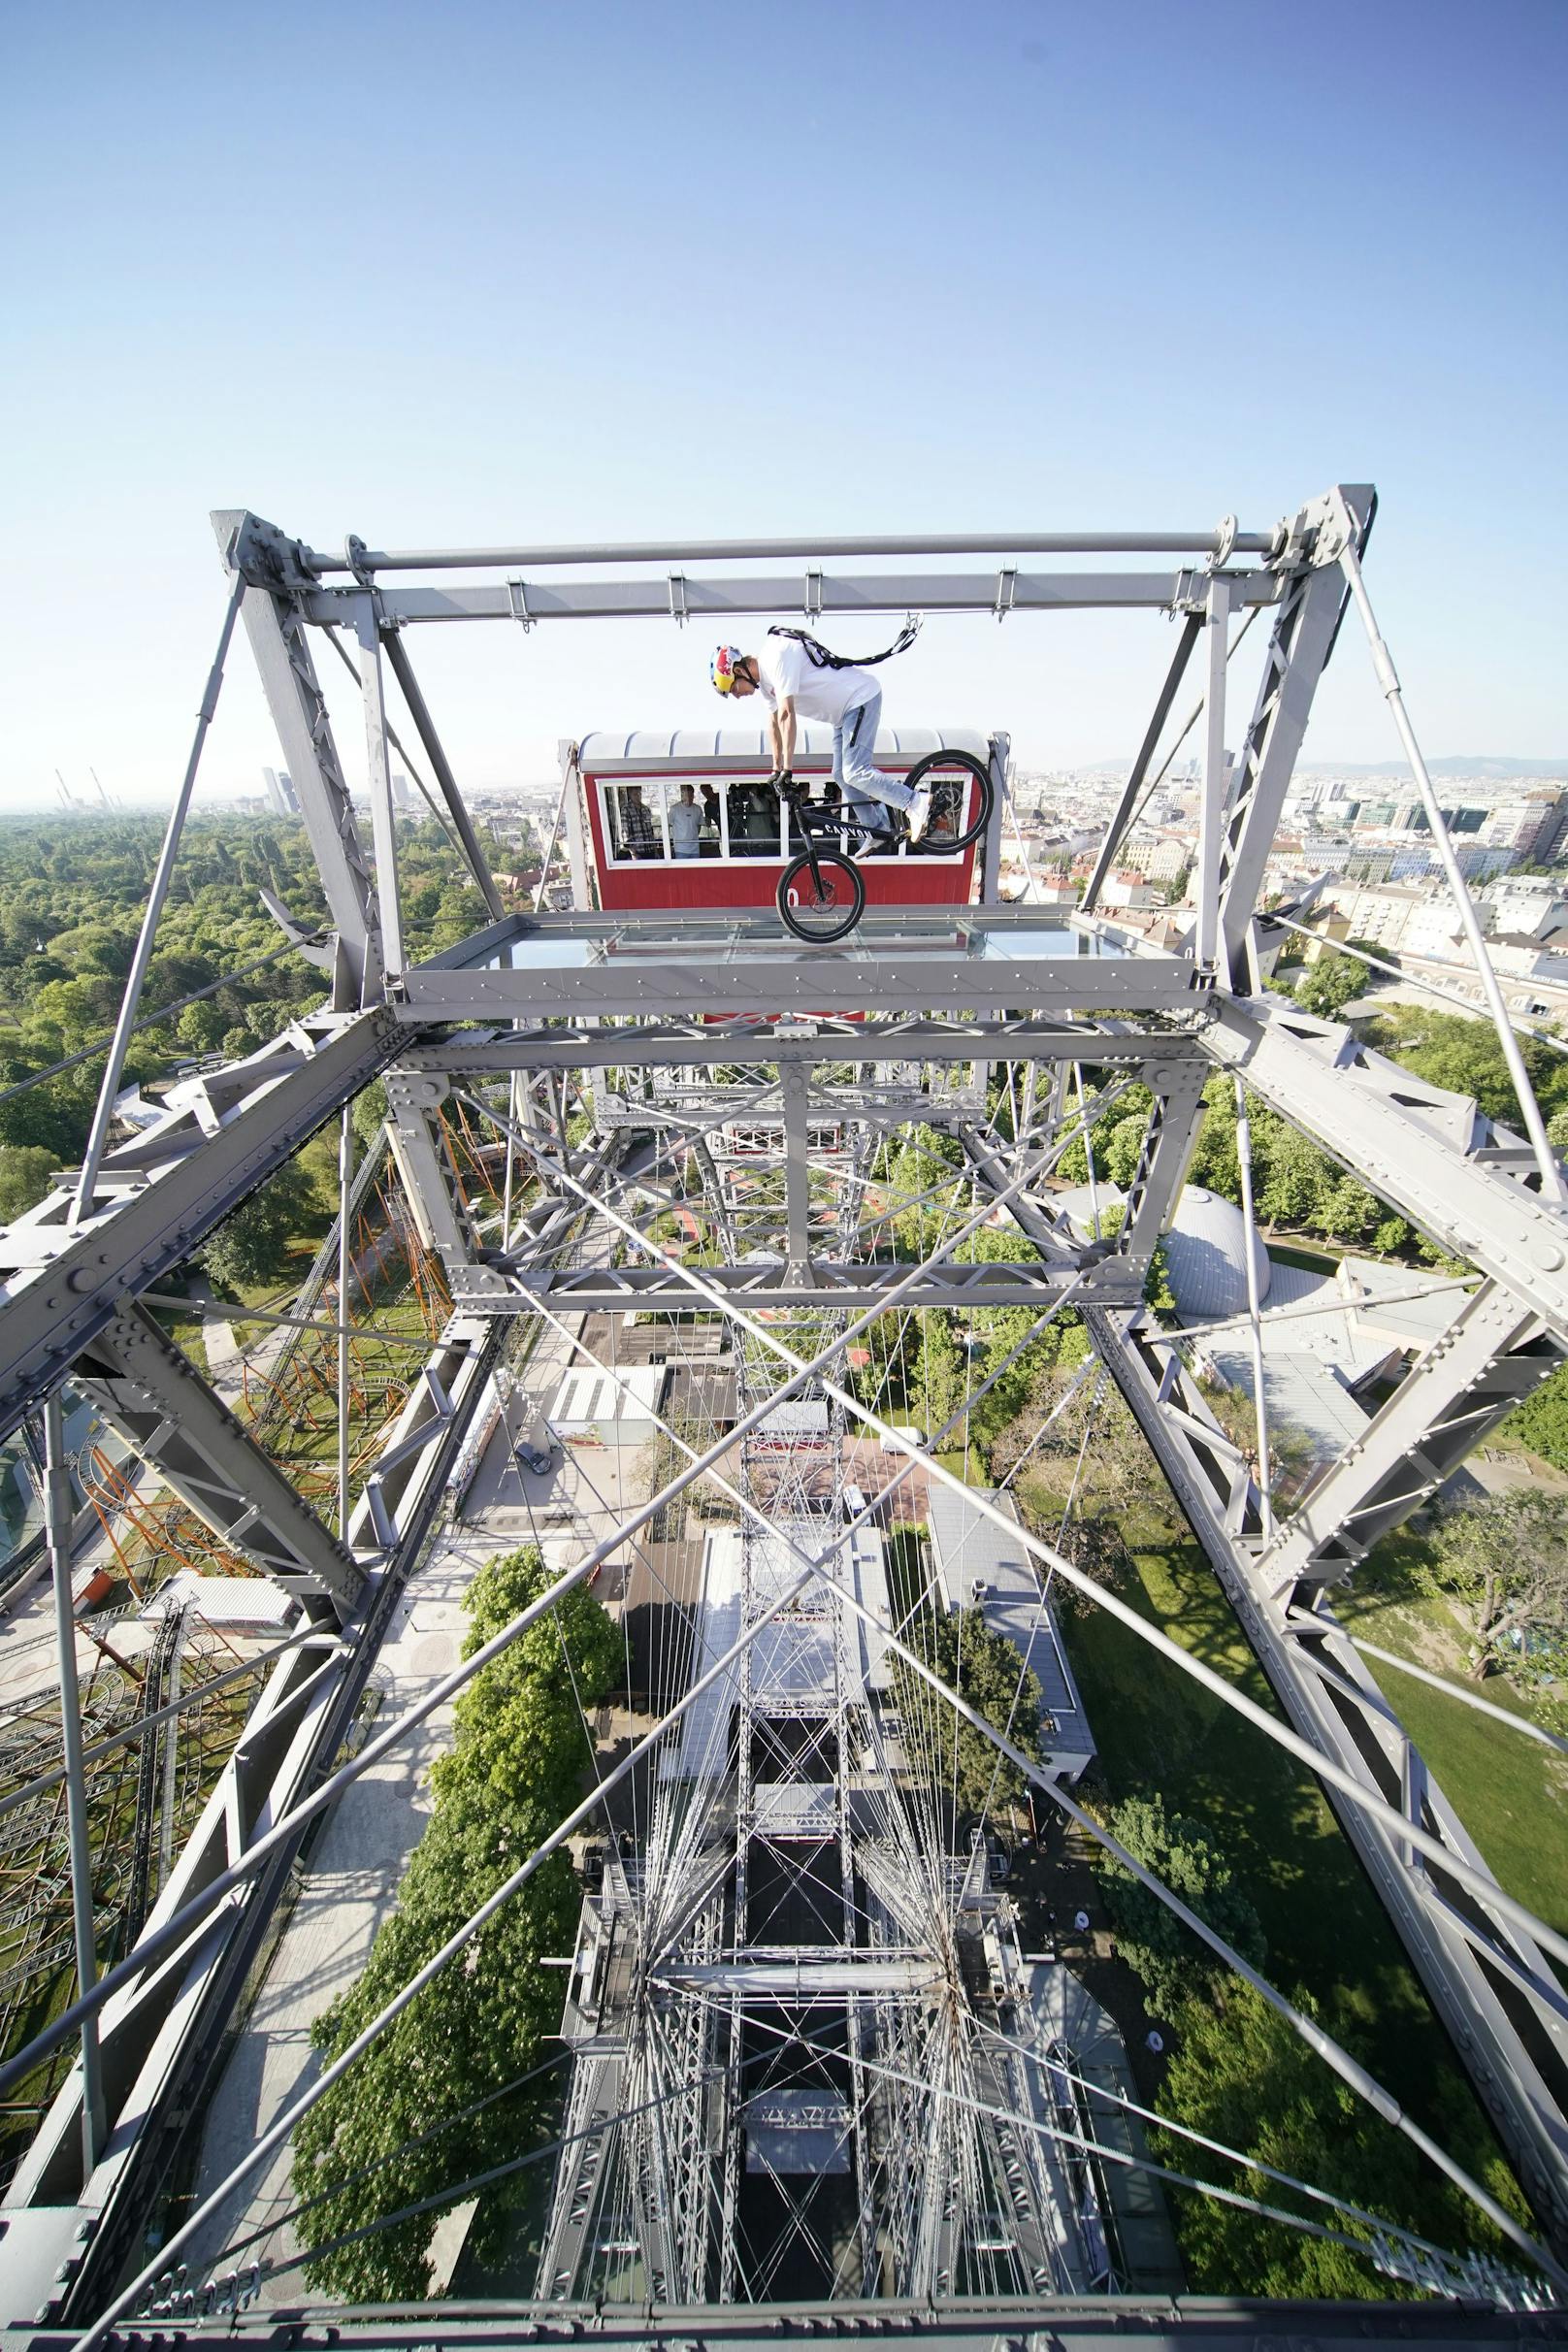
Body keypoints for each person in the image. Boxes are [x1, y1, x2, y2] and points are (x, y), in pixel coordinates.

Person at [710, 636, 931, 842]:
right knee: (841, 775)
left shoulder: (775, 658)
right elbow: (774, 723)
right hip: (841, 715)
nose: (737, 696)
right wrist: (775, 770)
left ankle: (913, 801)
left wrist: (788, 769)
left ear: (739, 670)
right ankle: (877, 828)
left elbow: (787, 714)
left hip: (859, 698)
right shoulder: (766, 686)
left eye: (734, 688)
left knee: (856, 771)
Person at [615, 782, 657, 860]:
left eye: (639, 794)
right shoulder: (626, 810)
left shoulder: (646, 809)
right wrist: (633, 853)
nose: (638, 796)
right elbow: (626, 834)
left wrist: (655, 850)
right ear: (630, 795)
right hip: (638, 851)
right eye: (635, 794)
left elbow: (650, 831)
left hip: (649, 849)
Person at [668, 783, 702, 860]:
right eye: (686, 796)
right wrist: (669, 845)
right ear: (682, 796)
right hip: (680, 849)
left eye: (691, 796)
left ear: (693, 795)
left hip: (695, 849)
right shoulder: (674, 809)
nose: (689, 798)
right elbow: (668, 826)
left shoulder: (698, 809)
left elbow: (699, 825)